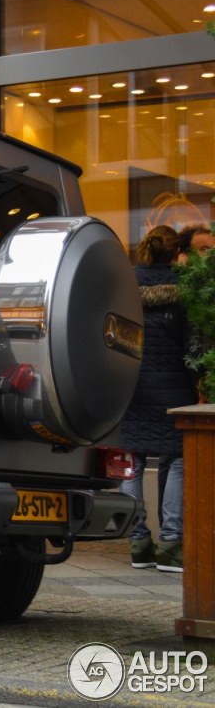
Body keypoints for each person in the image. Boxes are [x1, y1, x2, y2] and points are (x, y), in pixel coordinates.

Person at [119, 225, 192, 573]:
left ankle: (137, 542)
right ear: (177, 254)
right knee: (177, 458)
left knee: (131, 460)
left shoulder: (125, 286)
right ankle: (171, 544)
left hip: (131, 386)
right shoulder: (184, 290)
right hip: (175, 387)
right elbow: (192, 347)